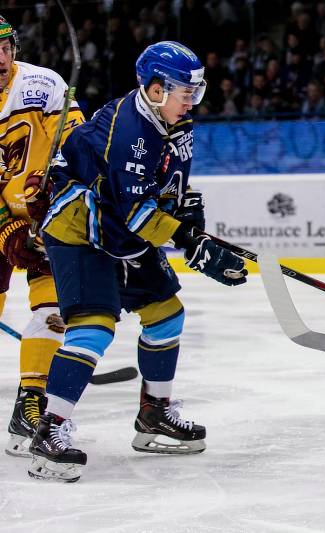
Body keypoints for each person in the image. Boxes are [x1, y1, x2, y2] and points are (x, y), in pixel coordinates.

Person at [27, 41, 248, 482]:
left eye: (195, 91)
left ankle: (154, 414)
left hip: (119, 228)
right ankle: (48, 431)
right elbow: (138, 212)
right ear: (153, 89)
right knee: (93, 327)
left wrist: (195, 231)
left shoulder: (178, 122)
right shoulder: (130, 129)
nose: (191, 100)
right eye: (185, 90)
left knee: (167, 314)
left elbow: (172, 193)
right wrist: (188, 241)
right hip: (78, 228)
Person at [0, 15, 85, 457]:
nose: (0, 58)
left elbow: (74, 145)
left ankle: (30, 402)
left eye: (5, 47)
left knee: (53, 307)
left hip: (40, 216)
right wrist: (5, 223)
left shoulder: (44, 84)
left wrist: (52, 189)